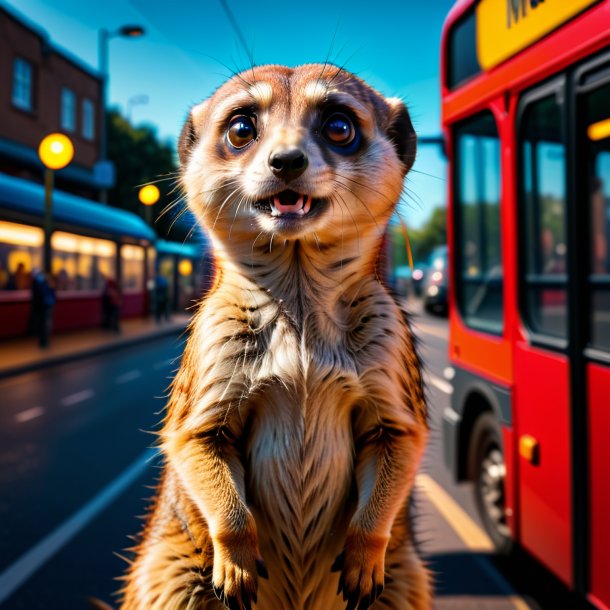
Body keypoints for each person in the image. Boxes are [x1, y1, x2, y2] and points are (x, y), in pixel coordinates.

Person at [31, 269, 56, 348]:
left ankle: (44, 342)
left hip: (45, 307)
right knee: (43, 325)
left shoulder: (42, 283)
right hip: (43, 307)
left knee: (45, 324)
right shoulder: (40, 284)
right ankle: (43, 342)